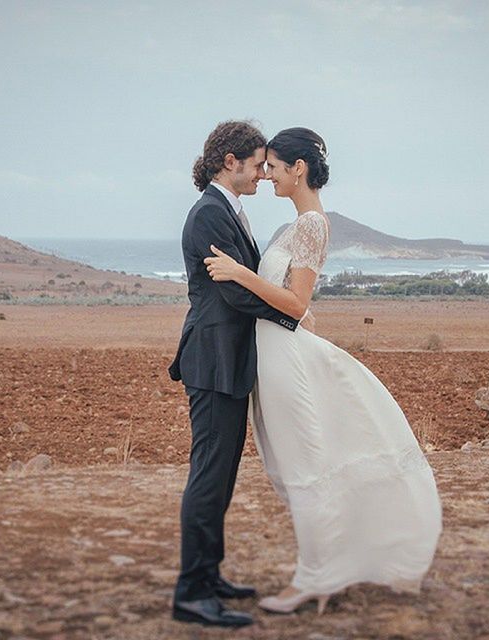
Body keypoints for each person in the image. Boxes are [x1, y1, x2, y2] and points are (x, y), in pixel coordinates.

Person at [204, 127, 443, 615]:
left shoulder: (311, 224)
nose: (265, 174)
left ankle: (315, 579)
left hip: (283, 361)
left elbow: (295, 302)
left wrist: (240, 273)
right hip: (270, 357)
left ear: (299, 169)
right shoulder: (295, 225)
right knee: (293, 466)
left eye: (272, 166)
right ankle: (325, 568)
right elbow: (297, 305)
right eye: (263, 166)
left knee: (304, 466)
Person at [168, 121, 301, 628]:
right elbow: (233, 292)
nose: (263, 174)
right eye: (258, 163)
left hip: (228, 358)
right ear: (230, 160)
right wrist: (293, 316)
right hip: (214, 358)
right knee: (208, 475)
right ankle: (192, 592)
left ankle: (209, 575)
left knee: (220, 476)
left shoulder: (226, 210)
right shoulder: (208, 214)